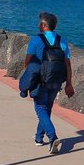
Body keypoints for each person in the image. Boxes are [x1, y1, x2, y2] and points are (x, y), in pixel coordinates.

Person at [19, 10, 76, 154]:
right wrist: (69, 84)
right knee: (47, 108)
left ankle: (52, 137)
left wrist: (28, 79)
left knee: (40, 108)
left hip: (41, 82)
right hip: (57, 82)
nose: (38, 26)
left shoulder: (36, 40)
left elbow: (28, 62)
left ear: (44, 25)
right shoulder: (62, 41)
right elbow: (68, 64)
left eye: (40, 23)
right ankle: (39, 137)